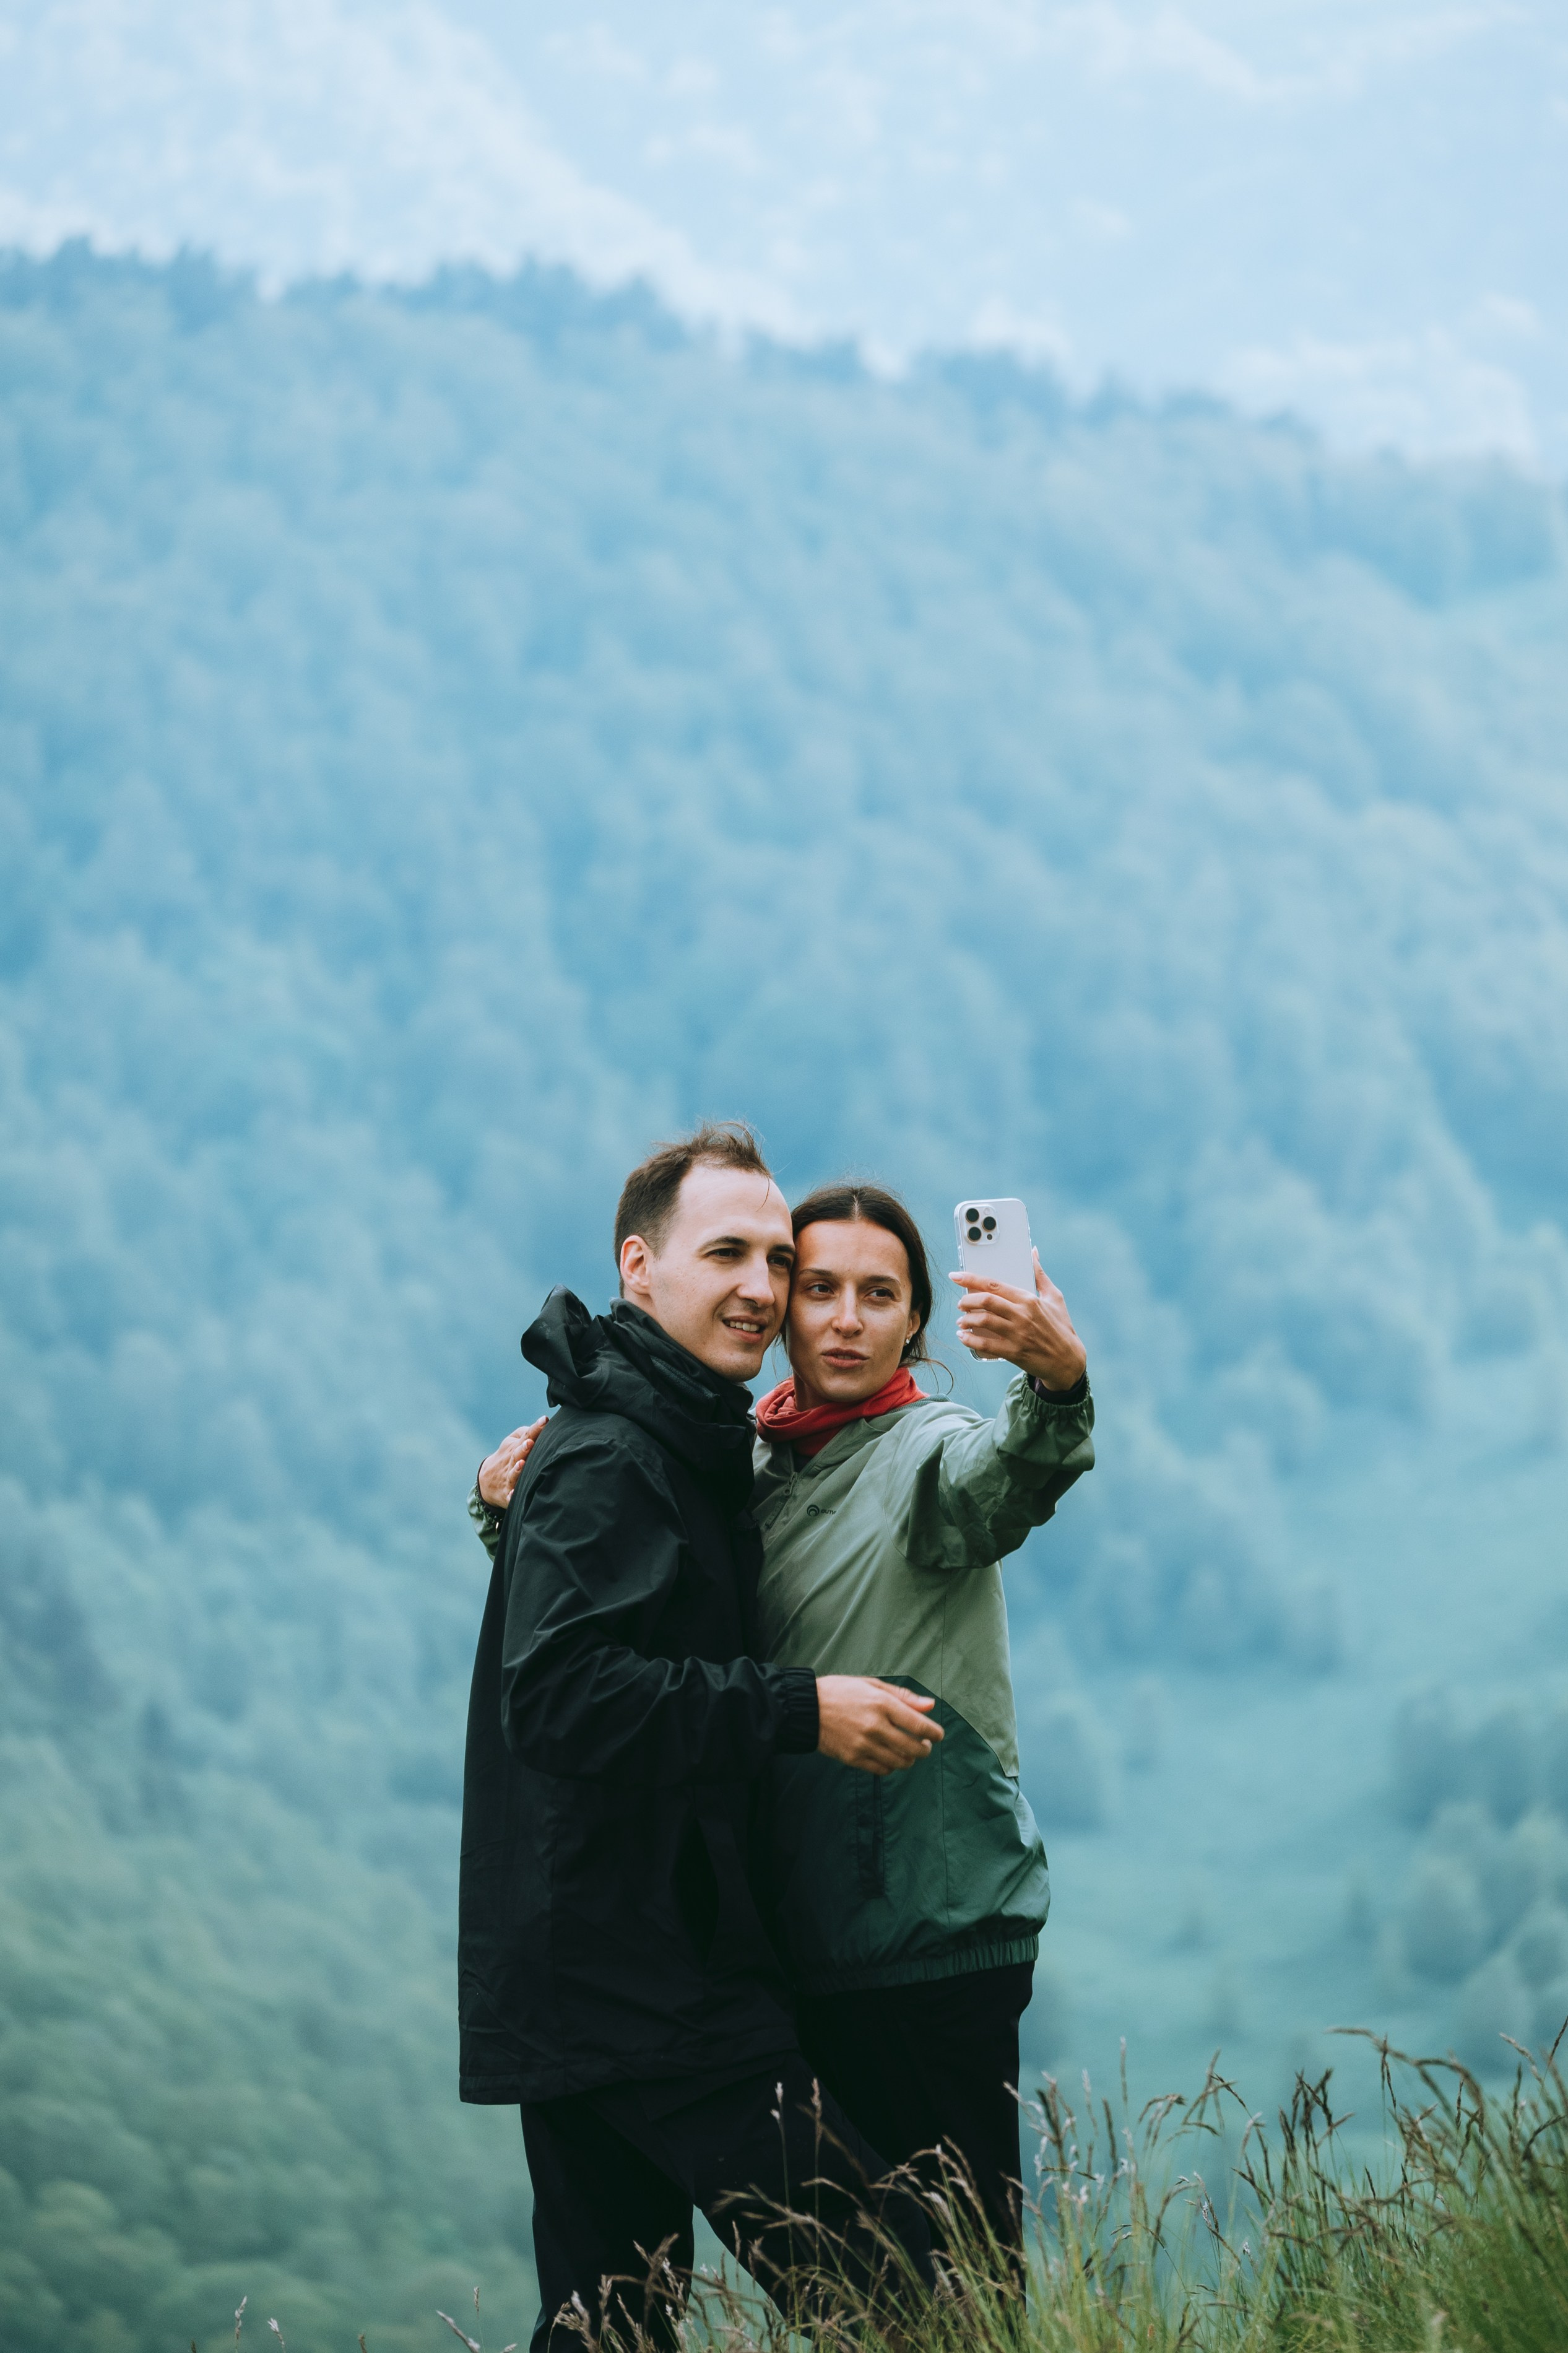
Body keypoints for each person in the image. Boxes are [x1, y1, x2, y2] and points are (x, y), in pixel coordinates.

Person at [477, 1172, 1094, 2269]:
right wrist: (503, 1516)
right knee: (874, 2284)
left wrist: (1054, 1392)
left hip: (931, 1935)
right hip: (790, 1948)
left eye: (878, 1293)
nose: (840, 1316)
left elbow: (1001, 1481)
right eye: (815, 1285)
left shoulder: (924, 1451)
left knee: (949, 2288)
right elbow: (627, 1618)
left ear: (916, 1323)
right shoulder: (735, 1455)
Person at [459, 1123, 938, 2353]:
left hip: (604, 1973)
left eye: (775, 1259)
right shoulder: (613, 1454)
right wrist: (802, 1708)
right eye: (725, 1251)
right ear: (638, 1266)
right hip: (649, 1980)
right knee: (901, 2301)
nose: (760, 1288)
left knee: (608, 2331)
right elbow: (560, 1694)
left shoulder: (657, 1436)